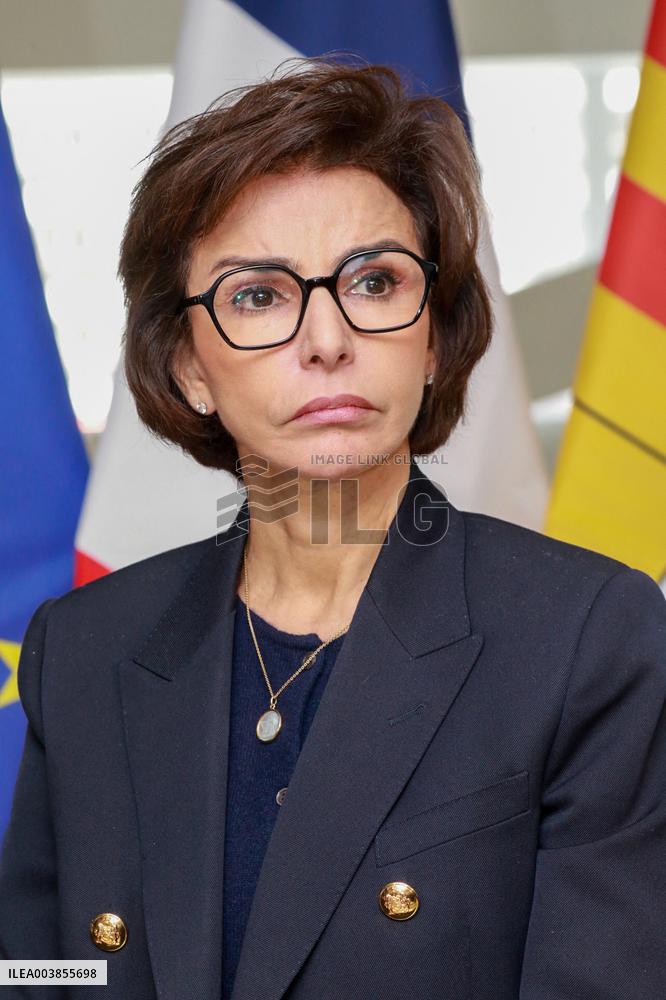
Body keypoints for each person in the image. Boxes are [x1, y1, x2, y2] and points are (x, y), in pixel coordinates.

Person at [1, 55, 665, 1000]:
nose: (326, 338)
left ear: (434, 336)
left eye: (375, 281)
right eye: (258, 296)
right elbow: (37, 973)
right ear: (189, 367)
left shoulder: (588, 639)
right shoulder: (85, 649)